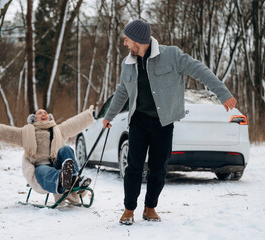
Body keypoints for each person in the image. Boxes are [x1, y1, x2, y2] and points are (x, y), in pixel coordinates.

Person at [102, 19, 237, 225]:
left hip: (163, 123)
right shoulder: (128, 62)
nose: (124, 43)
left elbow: (200, 70)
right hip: (138, 122)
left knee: (158, 168)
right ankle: (129, 209)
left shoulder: (171, 55)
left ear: (138, 40)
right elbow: (122, 90)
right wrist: (108, 116)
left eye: (127, 39)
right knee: (134, 167)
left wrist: (223, 94)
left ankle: (150, 208)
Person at [0, 106, 95, 204]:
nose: (43, 114)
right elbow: (5, 132)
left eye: (45, 113)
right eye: (40, 113)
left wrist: (88, 115)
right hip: (41, 166)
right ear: (33, 118)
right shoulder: (25, 133)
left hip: (57, 163)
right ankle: (65, 179)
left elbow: (73, 124)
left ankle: (73, 178)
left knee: (66, 149)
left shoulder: (58, 130)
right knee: (45, 171)